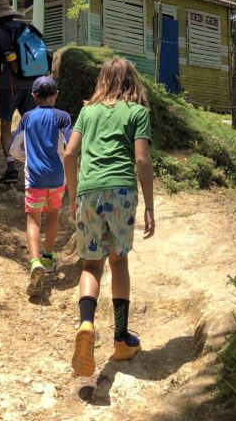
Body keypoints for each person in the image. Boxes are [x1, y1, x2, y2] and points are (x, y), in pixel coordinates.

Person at [62, 58, 155, 376]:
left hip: (88, 191)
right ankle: (120, 339)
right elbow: (142, 160)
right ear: (132, 81)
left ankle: (86, 324)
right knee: (118, 262)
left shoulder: (87, 112)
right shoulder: (138, 113)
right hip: (121, 191)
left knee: (91, 264)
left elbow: (70, 153)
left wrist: (73, 196)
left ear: (102, 80)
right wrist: (150, 206)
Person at [9, 76, 73, 296]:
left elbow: (13, 149)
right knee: (53, 213)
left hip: (34, 178)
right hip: (57, 177)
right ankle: (47, 256)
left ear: (34, 96)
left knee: (33, 218)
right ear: (56, 95)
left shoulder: (27, 117)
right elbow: (71, 144)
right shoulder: (62, 116)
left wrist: (26, 158)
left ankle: (34, 261)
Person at [0, 0, 37, 184]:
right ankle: (36, 165)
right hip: (31, 82)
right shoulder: (25, 28)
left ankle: (11, 168)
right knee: (31, 125)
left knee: (6, 124)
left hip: (9, 85)